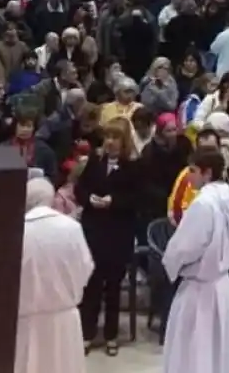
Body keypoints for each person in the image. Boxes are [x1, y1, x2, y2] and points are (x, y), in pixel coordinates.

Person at [161, 147, 229, 373]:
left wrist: (171, 263)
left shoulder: (203, 203)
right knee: (216, 349)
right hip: (221, 283)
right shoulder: (226, 195)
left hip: (199, 289)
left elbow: (185, 247)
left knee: (194, 350)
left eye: (193, 170)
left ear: (207, 173)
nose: (188, 175)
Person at [14, 178, 94, 373]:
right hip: (65, 319)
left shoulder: (17, 231)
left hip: (27, 320)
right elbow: (86, 269)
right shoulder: (72, 228)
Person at [75, 118, 140, 356]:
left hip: (118, 232)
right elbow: (79, 188)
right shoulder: (95, 161)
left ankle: (111, 334)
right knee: (91, 286)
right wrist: (89, 199)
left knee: (113, 286)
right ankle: (87, 333)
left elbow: (137, 198)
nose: (110, 142)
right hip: (94, 231)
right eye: (108, 137)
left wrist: (114, 201)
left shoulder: (134, 166)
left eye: (115, 138)